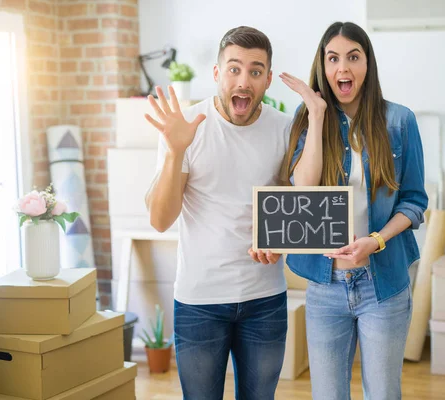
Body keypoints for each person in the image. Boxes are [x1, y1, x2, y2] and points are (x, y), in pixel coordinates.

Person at [279, 21, 428, 399]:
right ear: (323, 66)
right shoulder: (309, 118)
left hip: (383, 284)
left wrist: (375, 241)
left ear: (367, 64)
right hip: (326, 285)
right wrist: (315, 114)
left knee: (382, 393)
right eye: (333, 59)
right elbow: (303, 189)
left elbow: (414, 201)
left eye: (353, 57)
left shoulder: (399, 121)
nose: (342, 68)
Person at [144, 26, 291, 400]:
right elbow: (161, 220)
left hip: (265, 299)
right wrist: (176, 151)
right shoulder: (186, 127)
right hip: (199, 301)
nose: (244, 80)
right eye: (234, 69)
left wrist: (279, 242)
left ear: (268, 79)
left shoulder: (284, 129)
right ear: (216, 73)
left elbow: (291, 204)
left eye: (256, 71)